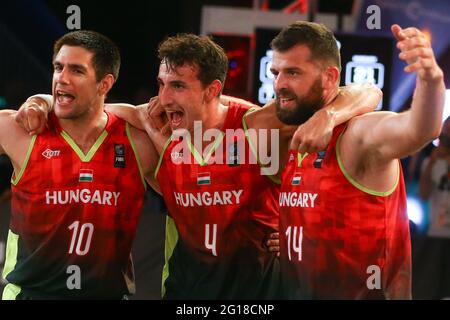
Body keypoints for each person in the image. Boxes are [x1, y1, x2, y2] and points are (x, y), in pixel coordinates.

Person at [17, 34, 381, 299]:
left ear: (212, 90)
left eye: (177, 85)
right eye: (161, 84)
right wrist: (41, 99)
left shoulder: (258, 126)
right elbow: (85, 107)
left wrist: (329, 116)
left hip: (256, 297)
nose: (163, 98)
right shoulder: (156, 129)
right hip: (183, 294)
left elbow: (369, 93)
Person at [273, 21, 445, 299]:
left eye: (293, 72)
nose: (279, 84)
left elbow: (419, 129)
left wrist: (431, 79)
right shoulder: (298, 132)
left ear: (330, 77)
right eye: (276, 72)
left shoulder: (359, 134)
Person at [0, 30, 159, 299]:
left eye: (76, 70)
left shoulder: (139, 144)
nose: (61, 78)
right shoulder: (19, 129)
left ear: (104, 84)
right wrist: (40, 99)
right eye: (58, 67)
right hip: (31, 294)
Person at [420, 116, 450, 238]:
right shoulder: (430, 162)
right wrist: (432, 163)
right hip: (437, 232)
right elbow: (424, 195)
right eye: (446, 129)